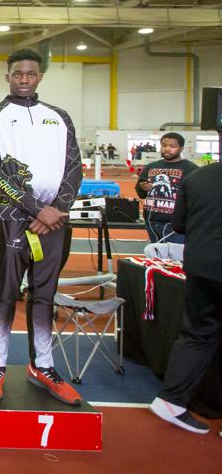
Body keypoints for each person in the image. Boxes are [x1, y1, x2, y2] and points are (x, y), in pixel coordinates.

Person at [0, 48, 83, 405]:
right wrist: (38, 209)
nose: (24, 79)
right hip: (13, 221)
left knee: (45, 295)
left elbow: (74, 167)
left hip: (54, 223)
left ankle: (43, 366)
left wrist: (57, 209)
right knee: (5, 293)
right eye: (18, 73)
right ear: (7, 76)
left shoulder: (60, 117)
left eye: (31, 74)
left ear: (40, 77)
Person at [150, 161, 222, 435]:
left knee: (196, 335)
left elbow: (178, 224)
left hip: (200, 267)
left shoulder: (197, 177)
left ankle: (171, 399)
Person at [135, 133, 198, 251]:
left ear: (181, 148)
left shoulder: (191, 169)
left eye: (172, 146)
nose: (167, 149)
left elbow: (197, 196)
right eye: (164, 145)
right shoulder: (151, 167)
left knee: (176, 259)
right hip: (152, 221)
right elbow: (140, 193)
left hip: (176, 225)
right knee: (157, 257)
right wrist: (143, 188)